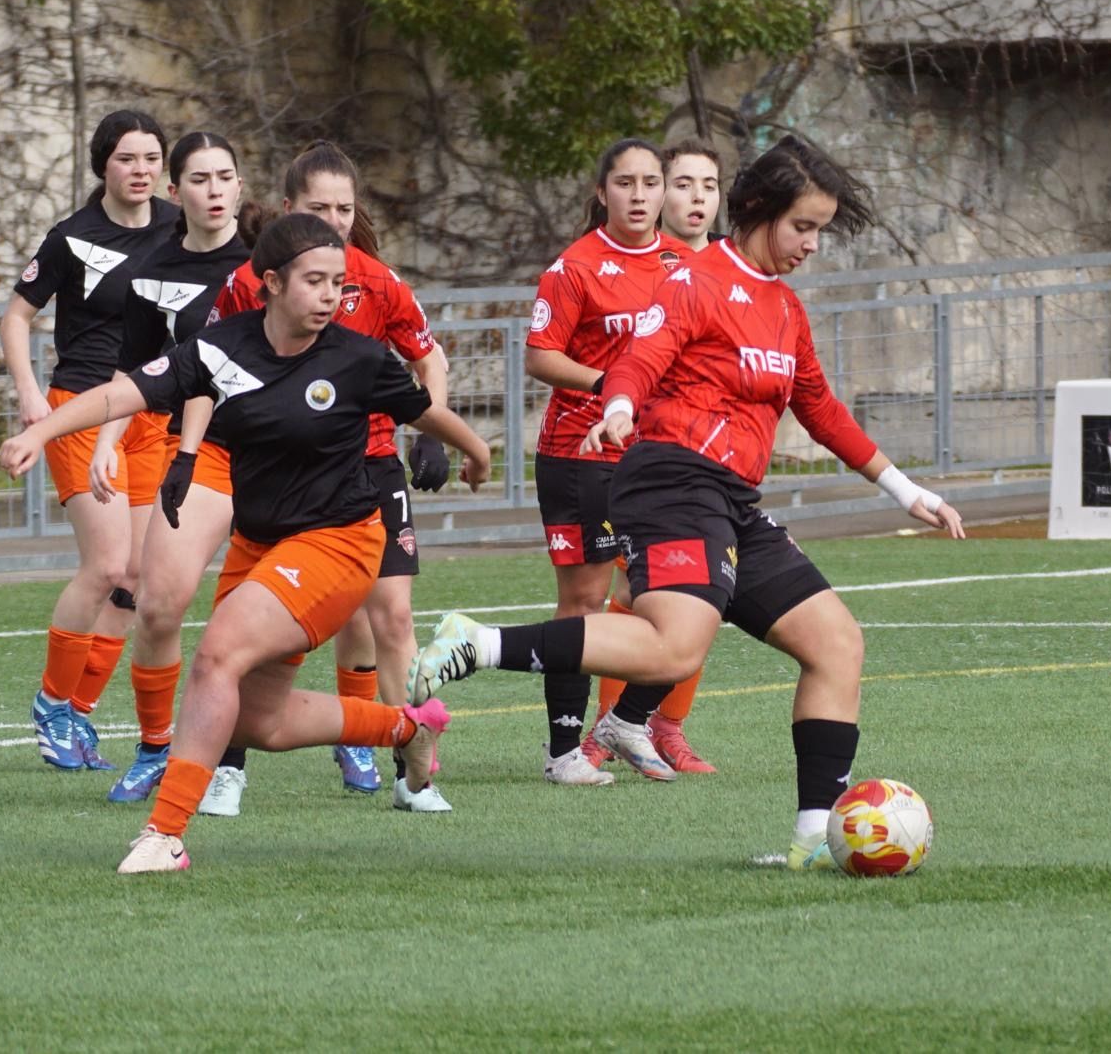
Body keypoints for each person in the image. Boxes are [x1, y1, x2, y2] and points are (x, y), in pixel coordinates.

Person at [409, 135, 966, 870]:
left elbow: (820, 408)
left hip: (730, 496)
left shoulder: (786, 310)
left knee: (837, 644)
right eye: (803, 225)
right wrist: (618, 404)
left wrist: (907, 489)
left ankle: (809, 842)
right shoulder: (692, 281)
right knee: (676, 645)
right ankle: (474, 642)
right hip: (670, 477)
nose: (811, 243)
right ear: (760, 209)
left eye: (821, 229)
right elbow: (643, 356)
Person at [0, 214, 493, 873]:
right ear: (269, 283)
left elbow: (419, 407)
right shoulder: (218, 350)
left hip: (341, 543)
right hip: (260, 545)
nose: (329, 296)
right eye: (314, 281)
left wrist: (477, 449)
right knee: (260, 722)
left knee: (215, 657)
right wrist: (41, 432)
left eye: (338, 283)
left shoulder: (357, 358)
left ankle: (166, 832)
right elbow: (125, 391)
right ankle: (405, 726)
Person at [142, 140, 455, 817]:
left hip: (367, 464)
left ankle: (409, 767)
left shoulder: (379, 281)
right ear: (288, 212)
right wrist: (190, 453)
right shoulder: (250, 287)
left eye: (346, 208)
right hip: (283, 466)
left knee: (391, 614)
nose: (337, 221)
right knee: (234, 631)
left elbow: (429, 359)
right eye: (321, 208)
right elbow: (209, 370)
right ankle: (228, 766)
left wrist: (434, 431)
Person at [0, 110, 178, 772]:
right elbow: (17, 316)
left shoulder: (177, 229)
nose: (140, 170)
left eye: (151, 158)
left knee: (136, 576)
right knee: (105, 566)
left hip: (149, 413)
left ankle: (79, 710)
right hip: (77, 408)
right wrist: (28, 393)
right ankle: (50, 703)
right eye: (127, 158)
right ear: (103, 165)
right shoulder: (72, 236)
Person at [91, 131, 256, 803]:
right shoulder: (150, 273)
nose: (214, 191)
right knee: (158, 605)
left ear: (241, 186)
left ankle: (356, 736)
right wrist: (107, 438)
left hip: (280, 453)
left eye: (225, 177)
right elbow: (133, 371)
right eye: (199, 179)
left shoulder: (266, 265)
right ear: (173, 191)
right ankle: (158, 745)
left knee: (360, 608)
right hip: (201, 455)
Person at [523, 138, 692, 787]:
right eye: (627, 183)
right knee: (584, 602)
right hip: (581, 455)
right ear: (602, 192)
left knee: (682, 587)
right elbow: (541, 356)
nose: (642, 195)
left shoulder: (683, 265)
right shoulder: (574, 267)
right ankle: (565, 748)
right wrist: (615, 388)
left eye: (654, 182)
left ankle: (628, 719)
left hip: (659, 456)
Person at [577, 136, 727, 777]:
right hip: (644, 455)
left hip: (716, 459)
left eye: (709, 186)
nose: (696, 198)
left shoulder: (729, 269)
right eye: (684, 184)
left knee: (709, 591)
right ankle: (607, 732)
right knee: (638, 590)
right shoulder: (652, 270)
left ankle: (664, 726)